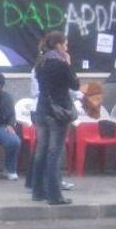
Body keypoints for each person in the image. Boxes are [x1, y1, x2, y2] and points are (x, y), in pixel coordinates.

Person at [31, 32, 79, 205]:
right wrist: (68, 63)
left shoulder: (41, 63)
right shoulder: (60, 64)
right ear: (58, 45)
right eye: (65, 44)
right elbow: (75, 84)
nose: (67, 48)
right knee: (54, 152)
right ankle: (54, 194)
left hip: (42, 110)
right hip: (57, 112)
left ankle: (37, 191)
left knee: (41, 151)